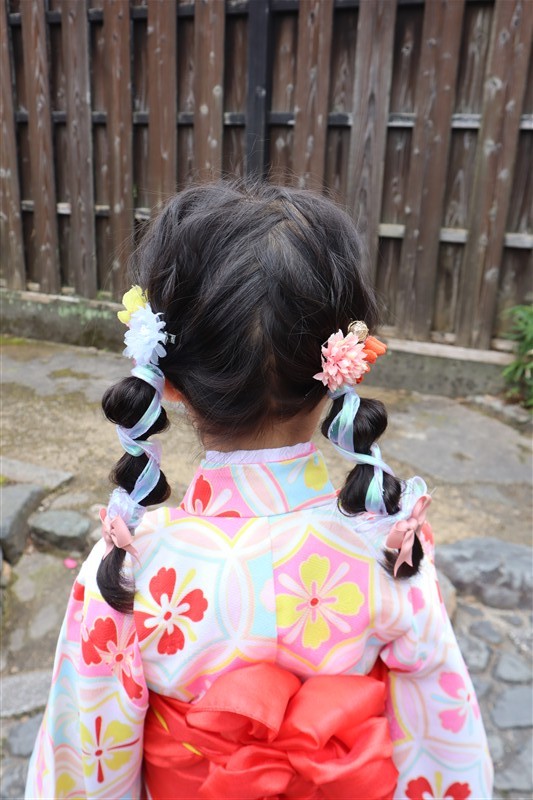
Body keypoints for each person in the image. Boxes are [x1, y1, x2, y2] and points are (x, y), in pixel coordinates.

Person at [25, 181, 493, 800]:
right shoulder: (388, 549)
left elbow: (87, 758)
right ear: (340, 373)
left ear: (169, 382)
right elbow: (441, 738)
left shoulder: (130, 567)